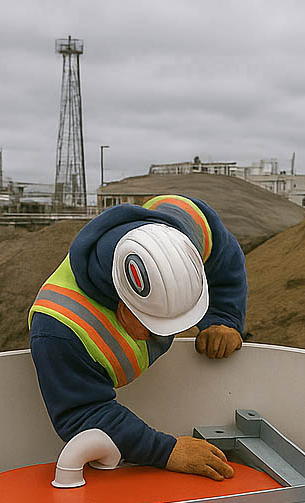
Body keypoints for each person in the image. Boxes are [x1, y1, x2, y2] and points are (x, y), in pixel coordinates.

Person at [29, 194, 247, 482]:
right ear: (121, 302)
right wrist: (166, 451)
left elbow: (224, 253)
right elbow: (84, 412)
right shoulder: (58, 329)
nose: (163, 334)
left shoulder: (180, 238)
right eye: (151, 324)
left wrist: (223, 318)